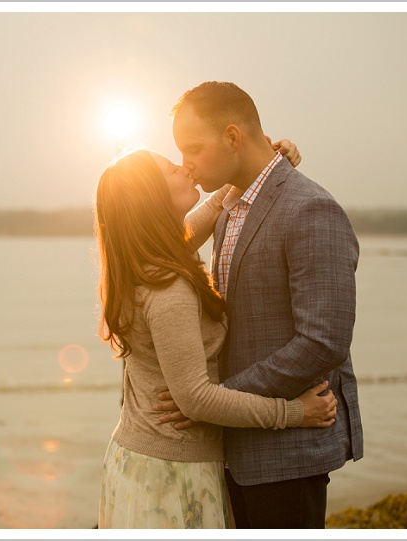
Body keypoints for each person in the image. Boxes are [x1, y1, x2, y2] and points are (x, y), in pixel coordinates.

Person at [154, 81, 363, 529]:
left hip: (288, 452)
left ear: (232, 137)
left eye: (192, 148)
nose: (185, 164)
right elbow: (159, 243)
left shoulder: (311, 210)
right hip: (232, 447)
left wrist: (216, 399)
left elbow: (323, 342)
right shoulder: (230, 205)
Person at [94, 147, 338, 529]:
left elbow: (204, 217)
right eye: (174, 168)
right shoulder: (167, 288)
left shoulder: (145, 262)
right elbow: (197, 399)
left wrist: (261, 164)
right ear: (153, 198)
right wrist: (294, 413)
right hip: (171, 474)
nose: (186, 167)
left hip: (143, 458)